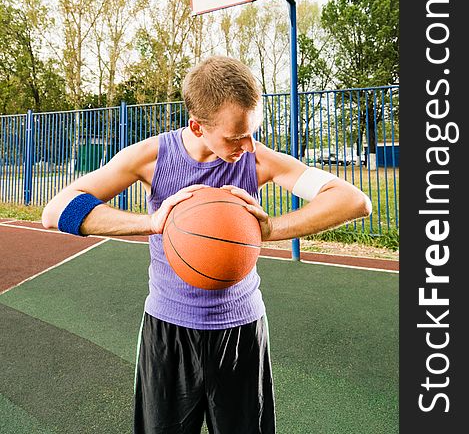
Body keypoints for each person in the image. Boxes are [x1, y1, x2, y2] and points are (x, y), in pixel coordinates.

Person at [42, 55, 372, 434]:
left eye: (252, 132)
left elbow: (353, 200)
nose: (248, 145)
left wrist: (269, 230)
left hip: (241, 331)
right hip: (168, 331)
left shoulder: (256, 158)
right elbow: (56, 211)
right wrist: (151, 222)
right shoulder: (151, 158)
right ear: (197, 126)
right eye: (235, 137)